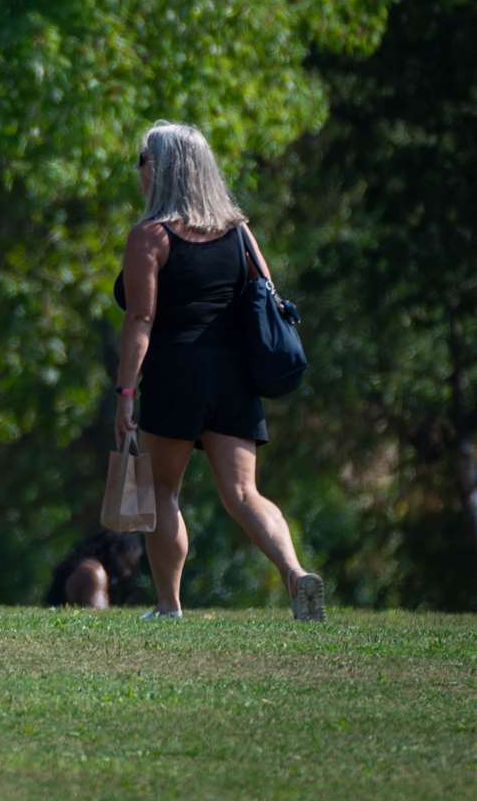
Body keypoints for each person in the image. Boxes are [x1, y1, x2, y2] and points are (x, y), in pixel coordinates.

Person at [114, 121, 325, 620]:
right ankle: (295, 573)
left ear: (160, 170)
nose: (138, 173)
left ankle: (169, 605)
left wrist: (125, 392)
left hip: (176, 374)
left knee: (162, 489)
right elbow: (263, 295)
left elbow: (140, 318)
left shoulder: (150, 237)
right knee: (244, 493)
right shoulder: (239, 233)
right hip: (233, 378)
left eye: (142, 162)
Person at [44, 531, 145, 608]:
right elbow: (97, 614)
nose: (126, 573)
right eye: (126, 564)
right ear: (113, 552)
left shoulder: (86, 568)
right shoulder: (93, 573)